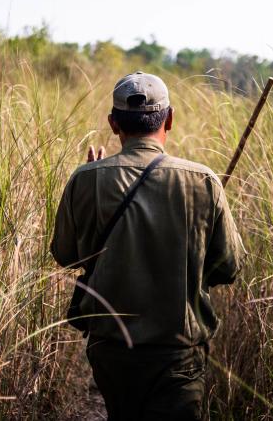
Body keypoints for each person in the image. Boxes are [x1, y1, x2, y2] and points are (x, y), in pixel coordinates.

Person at [51, 71, 244, 421]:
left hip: (111, 352)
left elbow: (67, 257)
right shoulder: (204, 181)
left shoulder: (85, 179)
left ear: (113, 123)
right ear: (169, 118)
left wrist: (93, 188)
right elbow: (228, 267)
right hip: (179, 356)